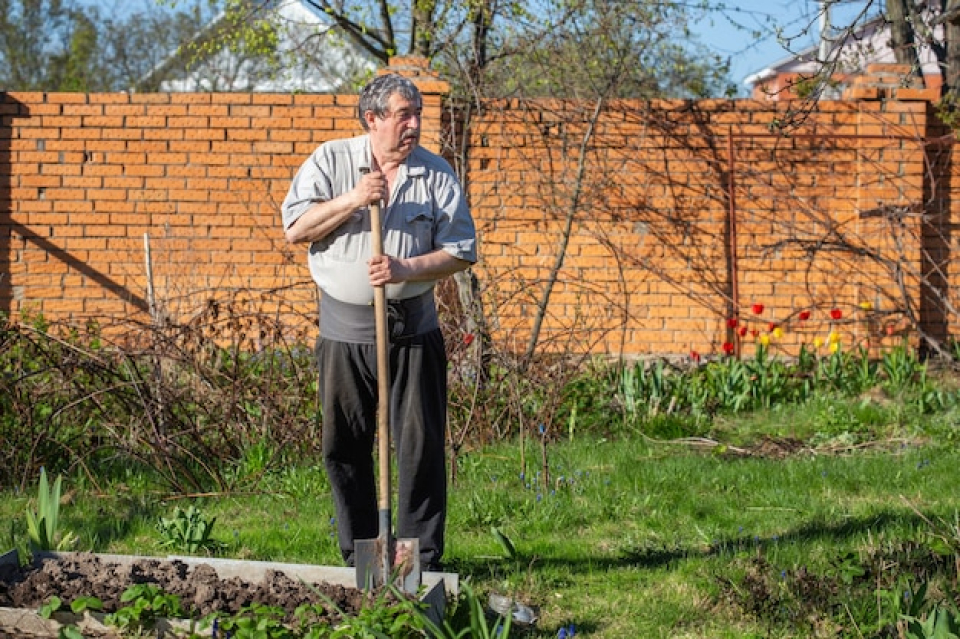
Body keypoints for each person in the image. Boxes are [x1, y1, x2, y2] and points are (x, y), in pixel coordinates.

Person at [280, 73, 477, 572]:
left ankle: (418, 562)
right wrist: (353, 199)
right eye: (403, 115)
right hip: (344, 333)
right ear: (373, 118)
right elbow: (296, 229)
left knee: (419, 446)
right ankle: (361, 557)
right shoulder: (330, 161)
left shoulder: (435, 173)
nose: (414, 125)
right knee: (344, 444)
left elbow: (461, 250)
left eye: (417, 115)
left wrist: (405, 268)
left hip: (412, 330)